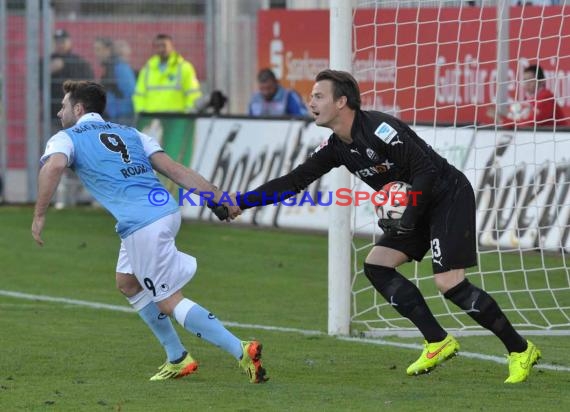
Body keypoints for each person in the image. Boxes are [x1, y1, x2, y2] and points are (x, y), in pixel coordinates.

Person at [232, 69, 541, 384]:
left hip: (447, 195)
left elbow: (425, 170)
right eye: (312, 96)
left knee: (449, 283)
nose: (311, 101)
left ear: (341, 102)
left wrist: (407, 217)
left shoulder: (380, 128)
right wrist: (241, 202)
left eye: (318, 96)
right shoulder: (336, 147)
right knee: (377, 265)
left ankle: (520, 350)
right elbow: (293, 181)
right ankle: (437, 340)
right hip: (414, 207)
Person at [31, 80, 267, 384]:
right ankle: (177, 357)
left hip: (142, 225)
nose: (59, 111)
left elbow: (52, 167)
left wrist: (39, 214)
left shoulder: (66, 137)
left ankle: (242, 350)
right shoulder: (131, 133)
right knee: (128, 283)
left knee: (168, 300)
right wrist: (215, 194)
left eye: (63, 106)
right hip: (165, 212)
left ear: (78, 109)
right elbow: (174, 169)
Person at [132, 34, 202, 114]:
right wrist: (142, 113)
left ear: (172, 46)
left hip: (176, 119)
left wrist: (188, 115)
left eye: (164, 45)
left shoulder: (184, 68)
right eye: (158, 46)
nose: (161, 49)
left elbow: (192, 94)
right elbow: (139, 94)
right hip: (152, 119)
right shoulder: (147, 70)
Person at [487, 64, 567, 127]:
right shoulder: (528, 99)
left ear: (541, 81)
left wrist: (501, 119)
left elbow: (530, 124)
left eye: (531, 80)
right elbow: (520, 121)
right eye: (525, 80)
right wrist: (505, 117)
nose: (527, 83)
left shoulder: (546, 97)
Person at [93, 37, 136, 124]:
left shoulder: (119, 66)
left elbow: (130, 91)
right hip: (114, 116)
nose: (95, 53)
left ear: (107, 49)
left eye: (98, 49)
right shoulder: (110, 66)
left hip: (122, 116)